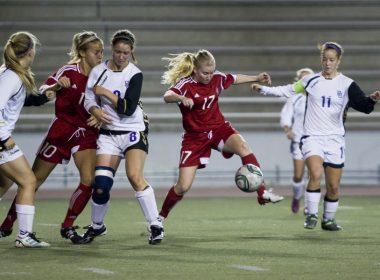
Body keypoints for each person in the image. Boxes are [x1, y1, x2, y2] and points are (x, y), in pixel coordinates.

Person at [251, 42, 380, 231]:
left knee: (334, 186)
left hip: (335, 140)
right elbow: (288, 90)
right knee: (315, 174)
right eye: (324, 59)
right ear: (321, 60)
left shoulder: (347, 84)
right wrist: (264, 89)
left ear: (338, 61)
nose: (327, 63)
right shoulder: (310, 80)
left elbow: (364, 106)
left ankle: (328, 220)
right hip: (312, 137)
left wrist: (372, 100)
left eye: (331, 60)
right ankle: (311, 214)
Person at [0, 31, 104, 244]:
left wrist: (101, 117)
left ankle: (66, 226)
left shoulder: (103, 74)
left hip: (85, 134)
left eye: (102, 52)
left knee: (87, 180)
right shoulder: (66, 70)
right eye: (96, 52)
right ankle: (13, 228)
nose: (101, 56)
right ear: (82, 53)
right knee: (31, 181)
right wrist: (55, 87)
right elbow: (43, 90)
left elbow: (110, 101)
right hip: (61, 132)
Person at [158, 49, 284, 225]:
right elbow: (167, 96)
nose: (209, 76)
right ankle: (160, 218)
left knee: (244, 147)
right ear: (195, 69)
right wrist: (180, 97)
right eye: (205, 72)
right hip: (195, 138)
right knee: (183, 186)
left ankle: (262, 192)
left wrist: (256, 77)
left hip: (218, 129)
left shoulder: (216, 78)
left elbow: (234, 78)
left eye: (211, 72)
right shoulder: (185, 84)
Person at [82, 29, 164, 245]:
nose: (121, 57)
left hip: (133, 131)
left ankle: (155, 225)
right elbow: (88, 98)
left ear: (131, 52)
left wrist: (106, 93)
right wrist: (95, 111)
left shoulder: (135, 74)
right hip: (108, 135)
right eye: (117, 52)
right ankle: (97, 226)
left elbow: (127, 109)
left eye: (125, 53)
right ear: (112, 50)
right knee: (100, 185)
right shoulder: (98, 71)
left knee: (134, 177)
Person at [0, 31, 50, 247]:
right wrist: (3, 138)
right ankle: (25, 236)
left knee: (5, 181)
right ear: (30, 52)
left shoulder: (9, 72)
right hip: (1, 141)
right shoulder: (11, 76)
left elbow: (15, 101)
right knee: (29, 181)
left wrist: (41, 98)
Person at [279, 68, 314, 214]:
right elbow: (286, 115)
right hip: (298, 140)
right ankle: (296, 197)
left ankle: (308, 205)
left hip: (315, 141)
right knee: (298, 175)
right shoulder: (295, 97)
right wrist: (288, 130)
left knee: (313, 174)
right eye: (302, 79)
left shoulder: (319, 97)